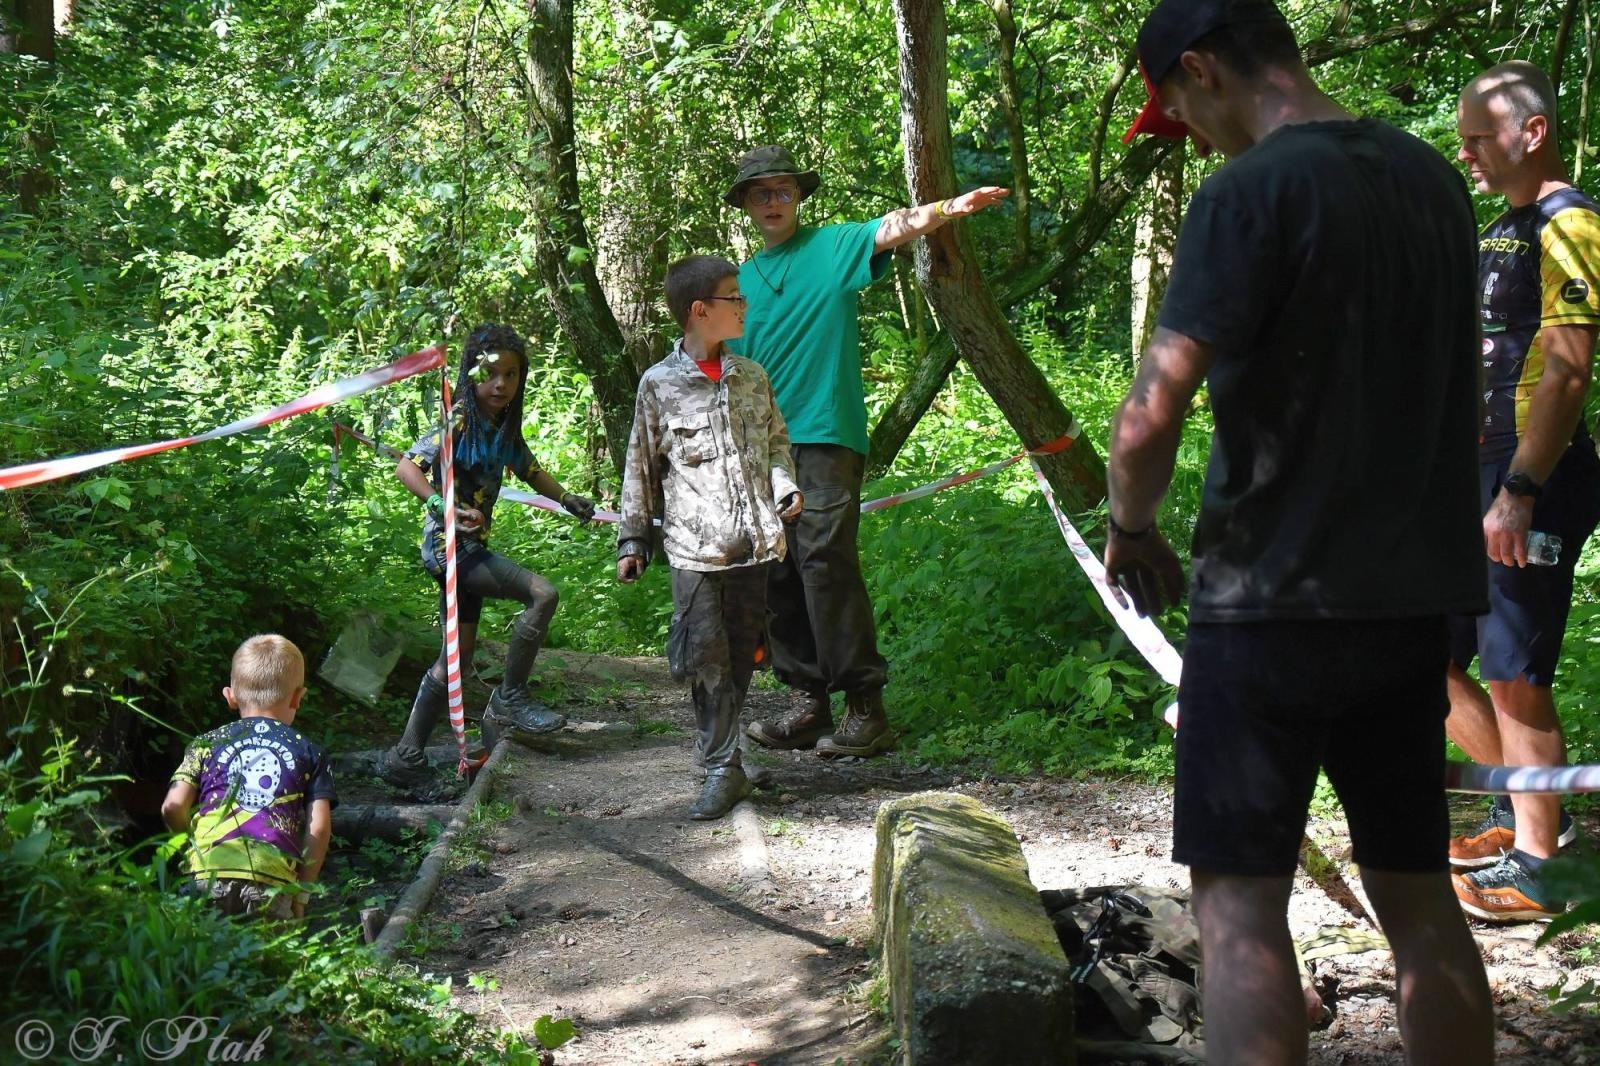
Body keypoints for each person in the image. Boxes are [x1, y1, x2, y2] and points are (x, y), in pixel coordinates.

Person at [1108, 1, 1494, 1061]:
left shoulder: (1251, 191)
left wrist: (1130, 527)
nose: (1184, 128)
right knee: (1421, 903)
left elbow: (1151, 413)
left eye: (1176, 106)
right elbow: (1460, 399)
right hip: (1410, 606)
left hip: (1267, 606)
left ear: (1203, 68)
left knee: (1239, 916)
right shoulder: (1433, 181)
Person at [726, 144, 1008, 759]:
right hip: (758, 445)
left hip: (825, 433)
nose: (774, 201)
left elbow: (892, 228)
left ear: (798, 197)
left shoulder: (833, 246)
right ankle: (805, 702)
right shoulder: (739, 283)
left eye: (783, 190)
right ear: (746, 204)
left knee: (824, 560)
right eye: (761, 192)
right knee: (776, 568)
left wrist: (950, 207)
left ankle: (864, 705)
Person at [1446, 61, 1600, 922]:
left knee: (1514, 673)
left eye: (1477, 137)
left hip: (1531, 475)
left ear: (1530, 132)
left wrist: (1522, 488)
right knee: (1421, 653)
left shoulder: (1570, 222)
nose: (1465, 152)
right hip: (1474, 470)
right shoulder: (1505, 225)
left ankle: (1545, 876)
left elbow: (1568, 370)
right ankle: (1533, 816)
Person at [616, 255, 803, 819]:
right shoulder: (659, 384)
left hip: (755, 543)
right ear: (701, 311)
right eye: (733, 297)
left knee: (744, 652)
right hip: (695, 552)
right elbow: (640, 465)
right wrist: (632, 541)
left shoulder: (752, 376)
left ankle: (727, 755)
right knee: (706, 657)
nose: (743, 306)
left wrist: (785, 486)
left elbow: (775, 442)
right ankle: (721, 767)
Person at [380, 324, 596, 796]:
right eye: (491, 374)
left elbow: (530, 468)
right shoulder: (458, 419)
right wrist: (444, 506)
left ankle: (406, 757)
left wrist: (568, 499)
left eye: (512, 375)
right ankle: (510, 698)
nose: (501, 385)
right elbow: (407, 467)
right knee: (542, 593)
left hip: (468, 551)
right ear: (471, 374)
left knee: (456, 657)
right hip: (450, 550)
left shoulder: (502, 428)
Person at [162, 635, 336, 919]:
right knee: (268, 960)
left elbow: (172, 807)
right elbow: (318, 829)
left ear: (230, 697)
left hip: (206, 874)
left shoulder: (204, 744)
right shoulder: (310, 751)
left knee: (197, 957)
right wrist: (301, 892)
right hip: (270, 883)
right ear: (298, 697)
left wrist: (189, 851)